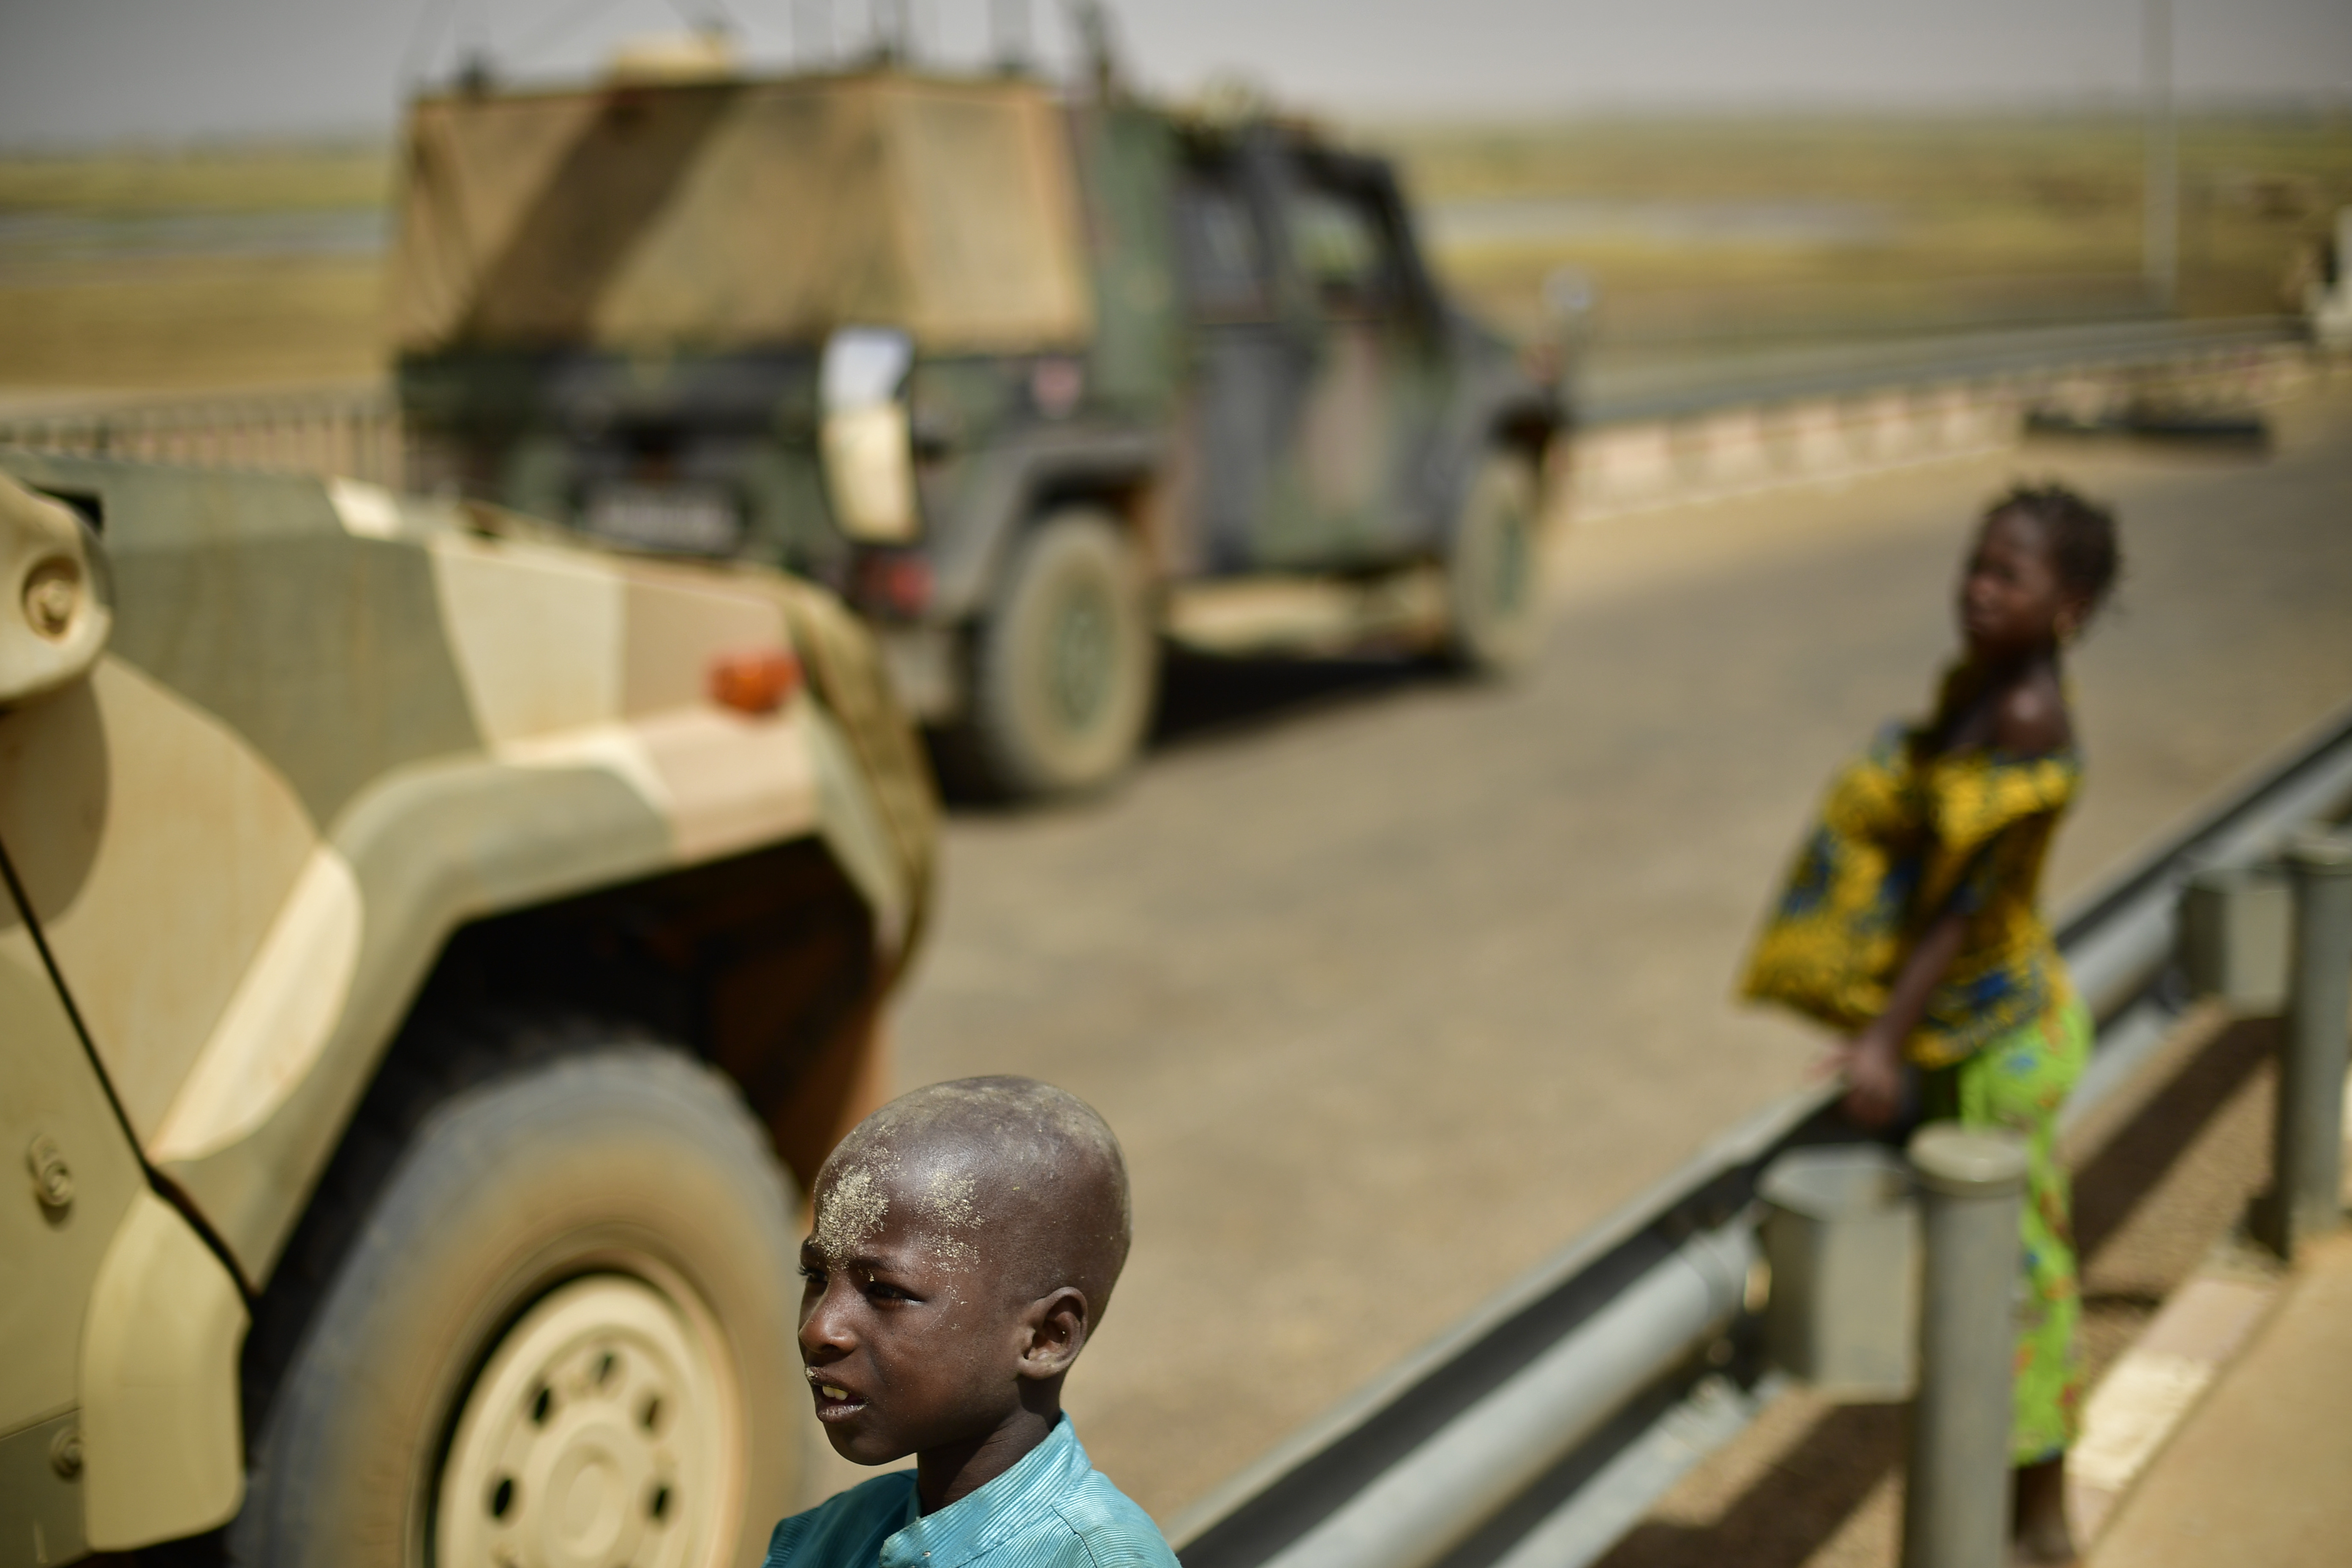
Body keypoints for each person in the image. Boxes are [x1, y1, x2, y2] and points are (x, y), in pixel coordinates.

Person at [1741, 482, 2122, 1565]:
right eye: (1974, 565)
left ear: (2070, 604)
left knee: (2019, 1284)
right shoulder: (1981, 683)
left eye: (2008, 575)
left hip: (2005, 1046)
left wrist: (1880, 1040)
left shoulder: (2025, 716)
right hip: (1968, 1029)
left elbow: (1963, 904)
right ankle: (1996, 1512)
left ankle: (2040, 1528)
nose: (1976, 590)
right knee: (1983, 1279)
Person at [768, 1075, 1178, 1568]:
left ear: (1046, 1338)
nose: (819, 1328)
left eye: (885, 1291)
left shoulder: (1096, 1558)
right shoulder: (832, 1536)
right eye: (814, 1275)